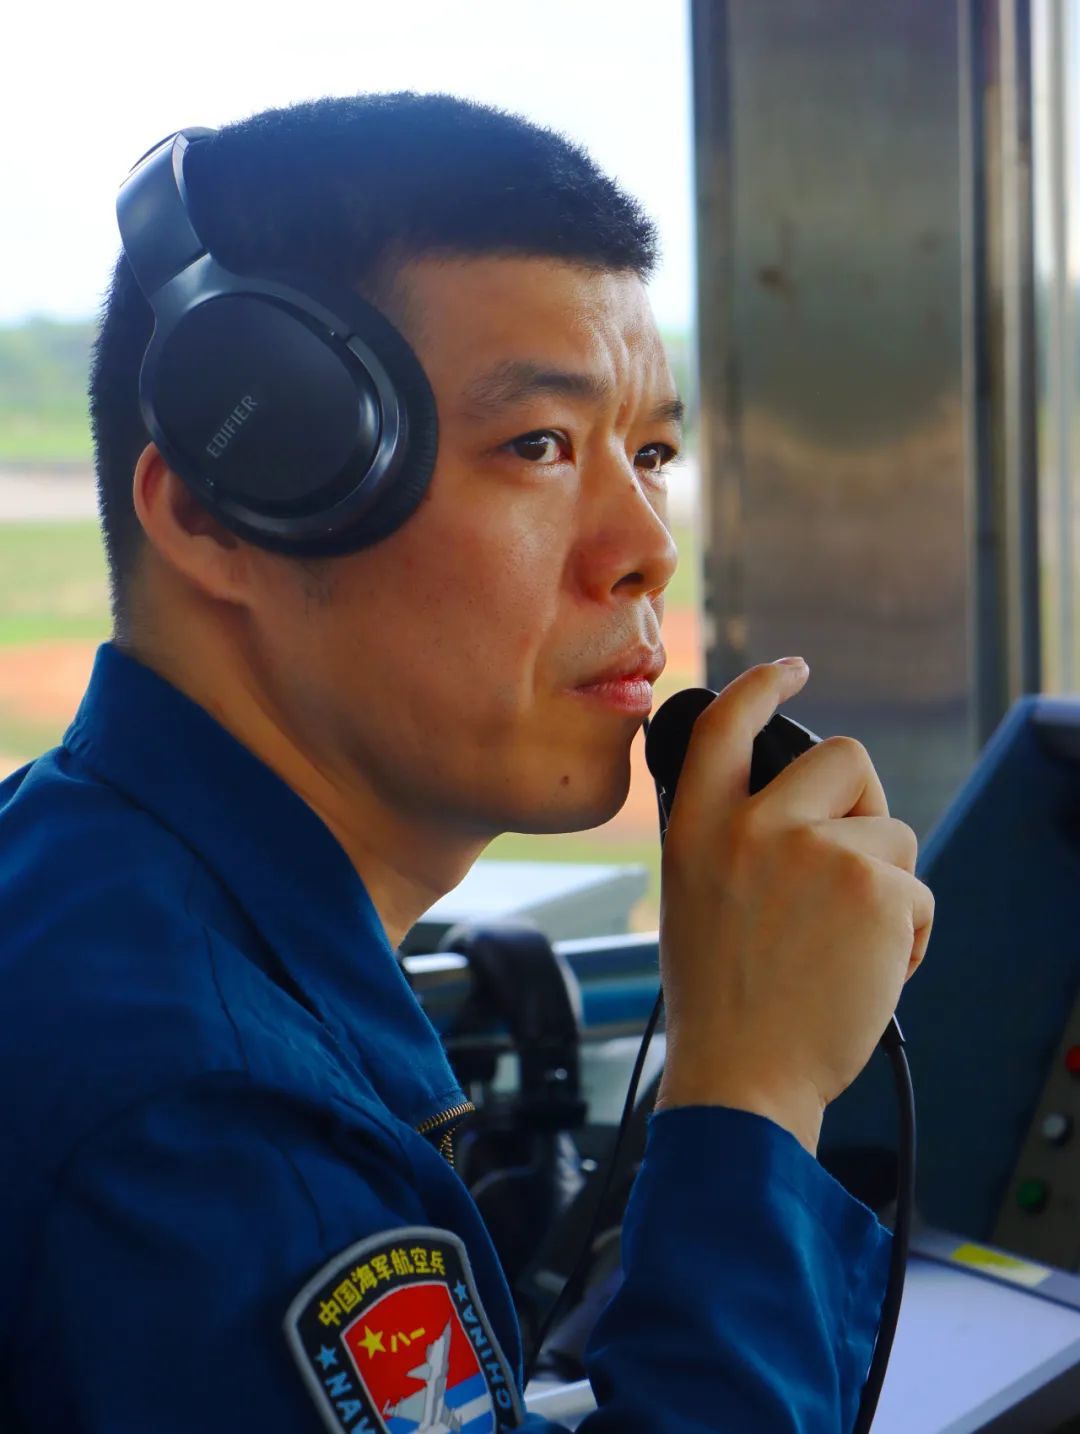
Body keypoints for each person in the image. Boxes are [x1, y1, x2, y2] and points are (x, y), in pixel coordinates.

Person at [0, 94, 933, 1432]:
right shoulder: (201, 1126)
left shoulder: (78, 876)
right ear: (216, 511)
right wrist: (756, 1091)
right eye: (538, 447)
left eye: (651, 450)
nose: (645, 543)